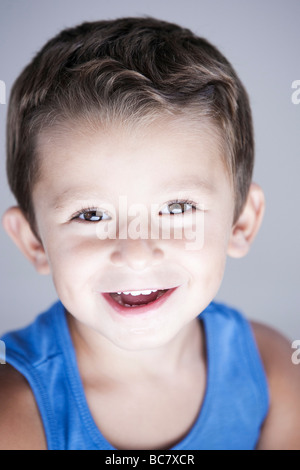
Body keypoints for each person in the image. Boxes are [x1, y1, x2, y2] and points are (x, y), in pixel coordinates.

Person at [0, 17, 299, 450]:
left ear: (241, 223)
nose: (137, 255)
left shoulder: (273, 373)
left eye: (177, 208)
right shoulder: (15, 411)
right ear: (33, 240)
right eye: (90, 215)